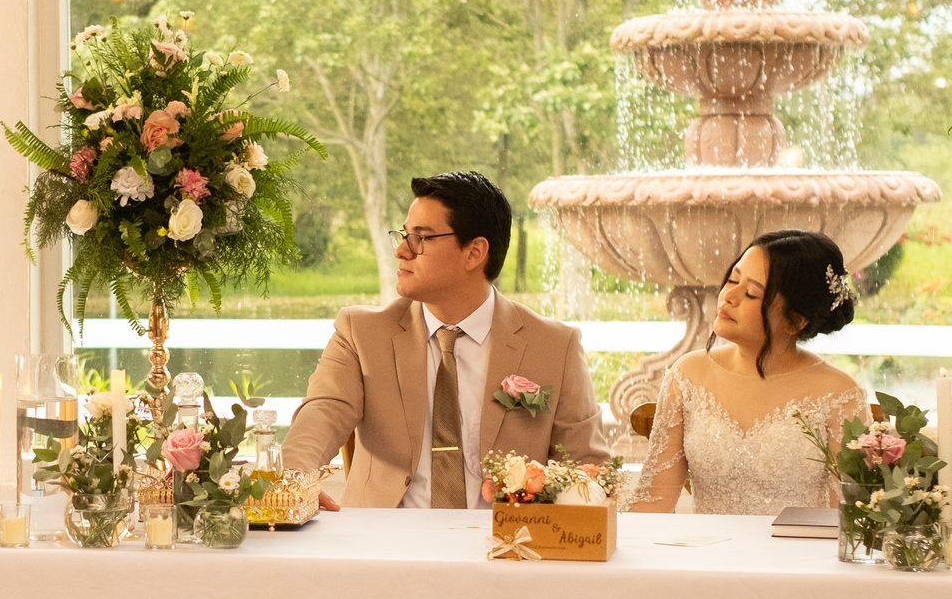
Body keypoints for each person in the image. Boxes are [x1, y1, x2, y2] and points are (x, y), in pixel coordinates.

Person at [283, 171, 609, 508]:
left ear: (474, 253)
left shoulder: (554, 346)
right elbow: (321, 415)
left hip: (508, 546)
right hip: (384, 547)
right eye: (404, 234)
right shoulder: (362, 334)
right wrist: (295, 477)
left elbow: (587, 465)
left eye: (420, 238)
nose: (401, 250)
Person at [625, 229, 865, 516]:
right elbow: (653, 503)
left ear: (796, 320)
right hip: (702, 556)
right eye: (732, 280)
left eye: (751, 293)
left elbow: (851, 519)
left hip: (799, 557)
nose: (729, 296)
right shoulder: (687, 375)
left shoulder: (838, 393)